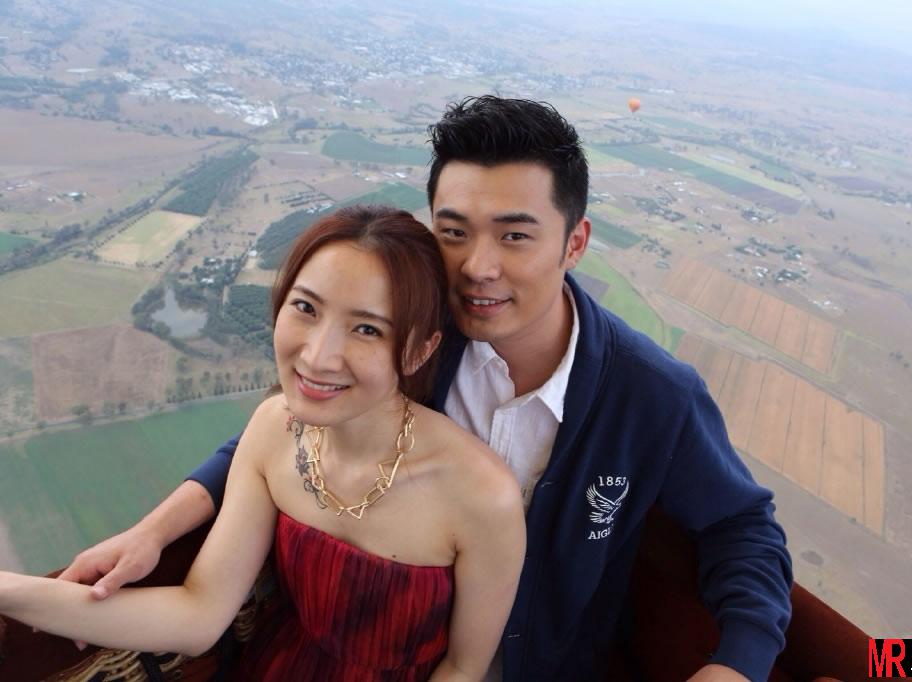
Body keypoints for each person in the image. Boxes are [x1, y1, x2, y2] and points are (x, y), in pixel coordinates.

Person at [55, 96, 793, 681]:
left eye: (514, 235)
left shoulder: (650, 395)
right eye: (453, 231)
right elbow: (289, 430)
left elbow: (742, 528)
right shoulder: (413, 340)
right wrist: (156, 531)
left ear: (575, 242)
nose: (477, 266)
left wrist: (736, 663)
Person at [0, 206, 527, 681]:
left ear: (418, 351)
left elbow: (465, 667)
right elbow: (199, 614)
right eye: (306, 308)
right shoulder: (274, 430)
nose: (317, 356)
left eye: (367, 330)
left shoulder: (482, 496)